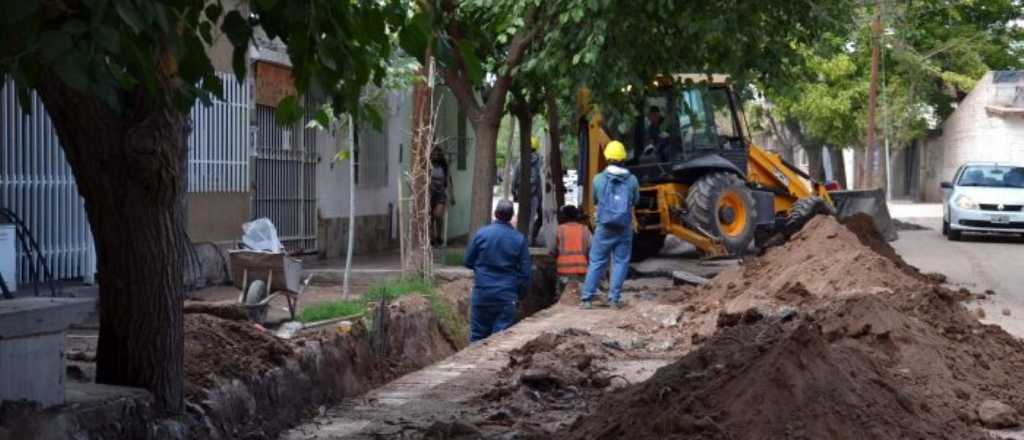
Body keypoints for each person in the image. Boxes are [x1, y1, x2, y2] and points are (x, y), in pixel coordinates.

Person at [580, 140, 639, 310]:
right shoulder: (632, 180)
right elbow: (635, 201)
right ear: (623, 159)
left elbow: (595, 200)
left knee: (597, 261)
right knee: (620, 261)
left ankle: (587, 299)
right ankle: (613, 299)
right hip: (624, 227)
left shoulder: (598, 179)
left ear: (607, 158)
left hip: (604, 227)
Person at [463, 200, 532, 343]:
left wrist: (482, 270)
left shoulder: (482, 234)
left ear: (495, 214)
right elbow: (526, 273)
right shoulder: (519, 239)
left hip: (482, 293)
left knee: (477, 336)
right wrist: (520, 294)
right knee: (499, 339)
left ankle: (474, 364)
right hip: (506, 295)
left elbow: (468, 261)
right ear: (512, 216)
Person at [550, 205, 591, 296]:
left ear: (564, 216)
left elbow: (552, 250)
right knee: (579, 296)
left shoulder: (559, 230)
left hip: (563, 271)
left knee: (562, 298)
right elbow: (591, 248)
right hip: (582, 270)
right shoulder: (585, 230)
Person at [511, 136, 543, 244]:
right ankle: (529, 240)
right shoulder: (540, 161)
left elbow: (515, 178)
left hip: (522, 193)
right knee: (532, 218)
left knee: (522, 217)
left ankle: (519, 240)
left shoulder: (520, 161)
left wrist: (514, 193)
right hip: (534, 195)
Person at [429, 148, 453, 245]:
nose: (436, 156)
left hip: (441, 193)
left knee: (438, 215)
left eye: (437, 154)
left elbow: (449, 180)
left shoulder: (444, 167)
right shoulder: (429, 165)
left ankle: (439, 236)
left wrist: (452, 195)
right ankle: (432, 238)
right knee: (430, 217)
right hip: (430, 192)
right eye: (434, 154)